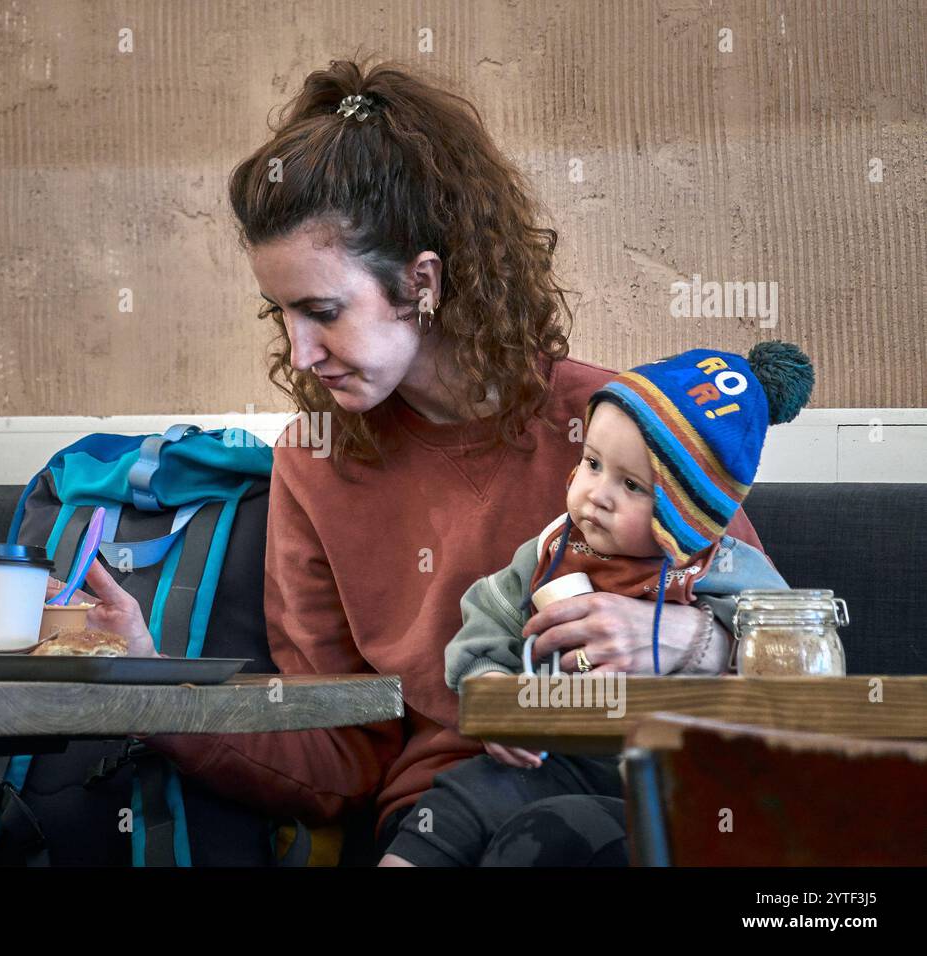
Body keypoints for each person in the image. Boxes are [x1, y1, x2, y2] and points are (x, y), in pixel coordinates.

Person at [59, 57, 779, 865]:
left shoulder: (615, 426)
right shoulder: (315, 463)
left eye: (322, 311)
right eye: (282, 313)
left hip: (649, 791)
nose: (299, 352)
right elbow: (340, 755)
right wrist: (155, 690)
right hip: (446, 822)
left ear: (422, 283)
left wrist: (689, 645)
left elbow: (797, 663)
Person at [380, 342, 812, 866]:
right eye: (591, 463)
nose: (596, 494)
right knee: (458, 801)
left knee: (556, 835)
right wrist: (496, 701)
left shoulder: (724, 570)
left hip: (686, 775)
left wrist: (708, 638)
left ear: (690, 513)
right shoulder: (551, 551)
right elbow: (485, 628)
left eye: (632, 484)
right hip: (558, 759)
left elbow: (796, 650)